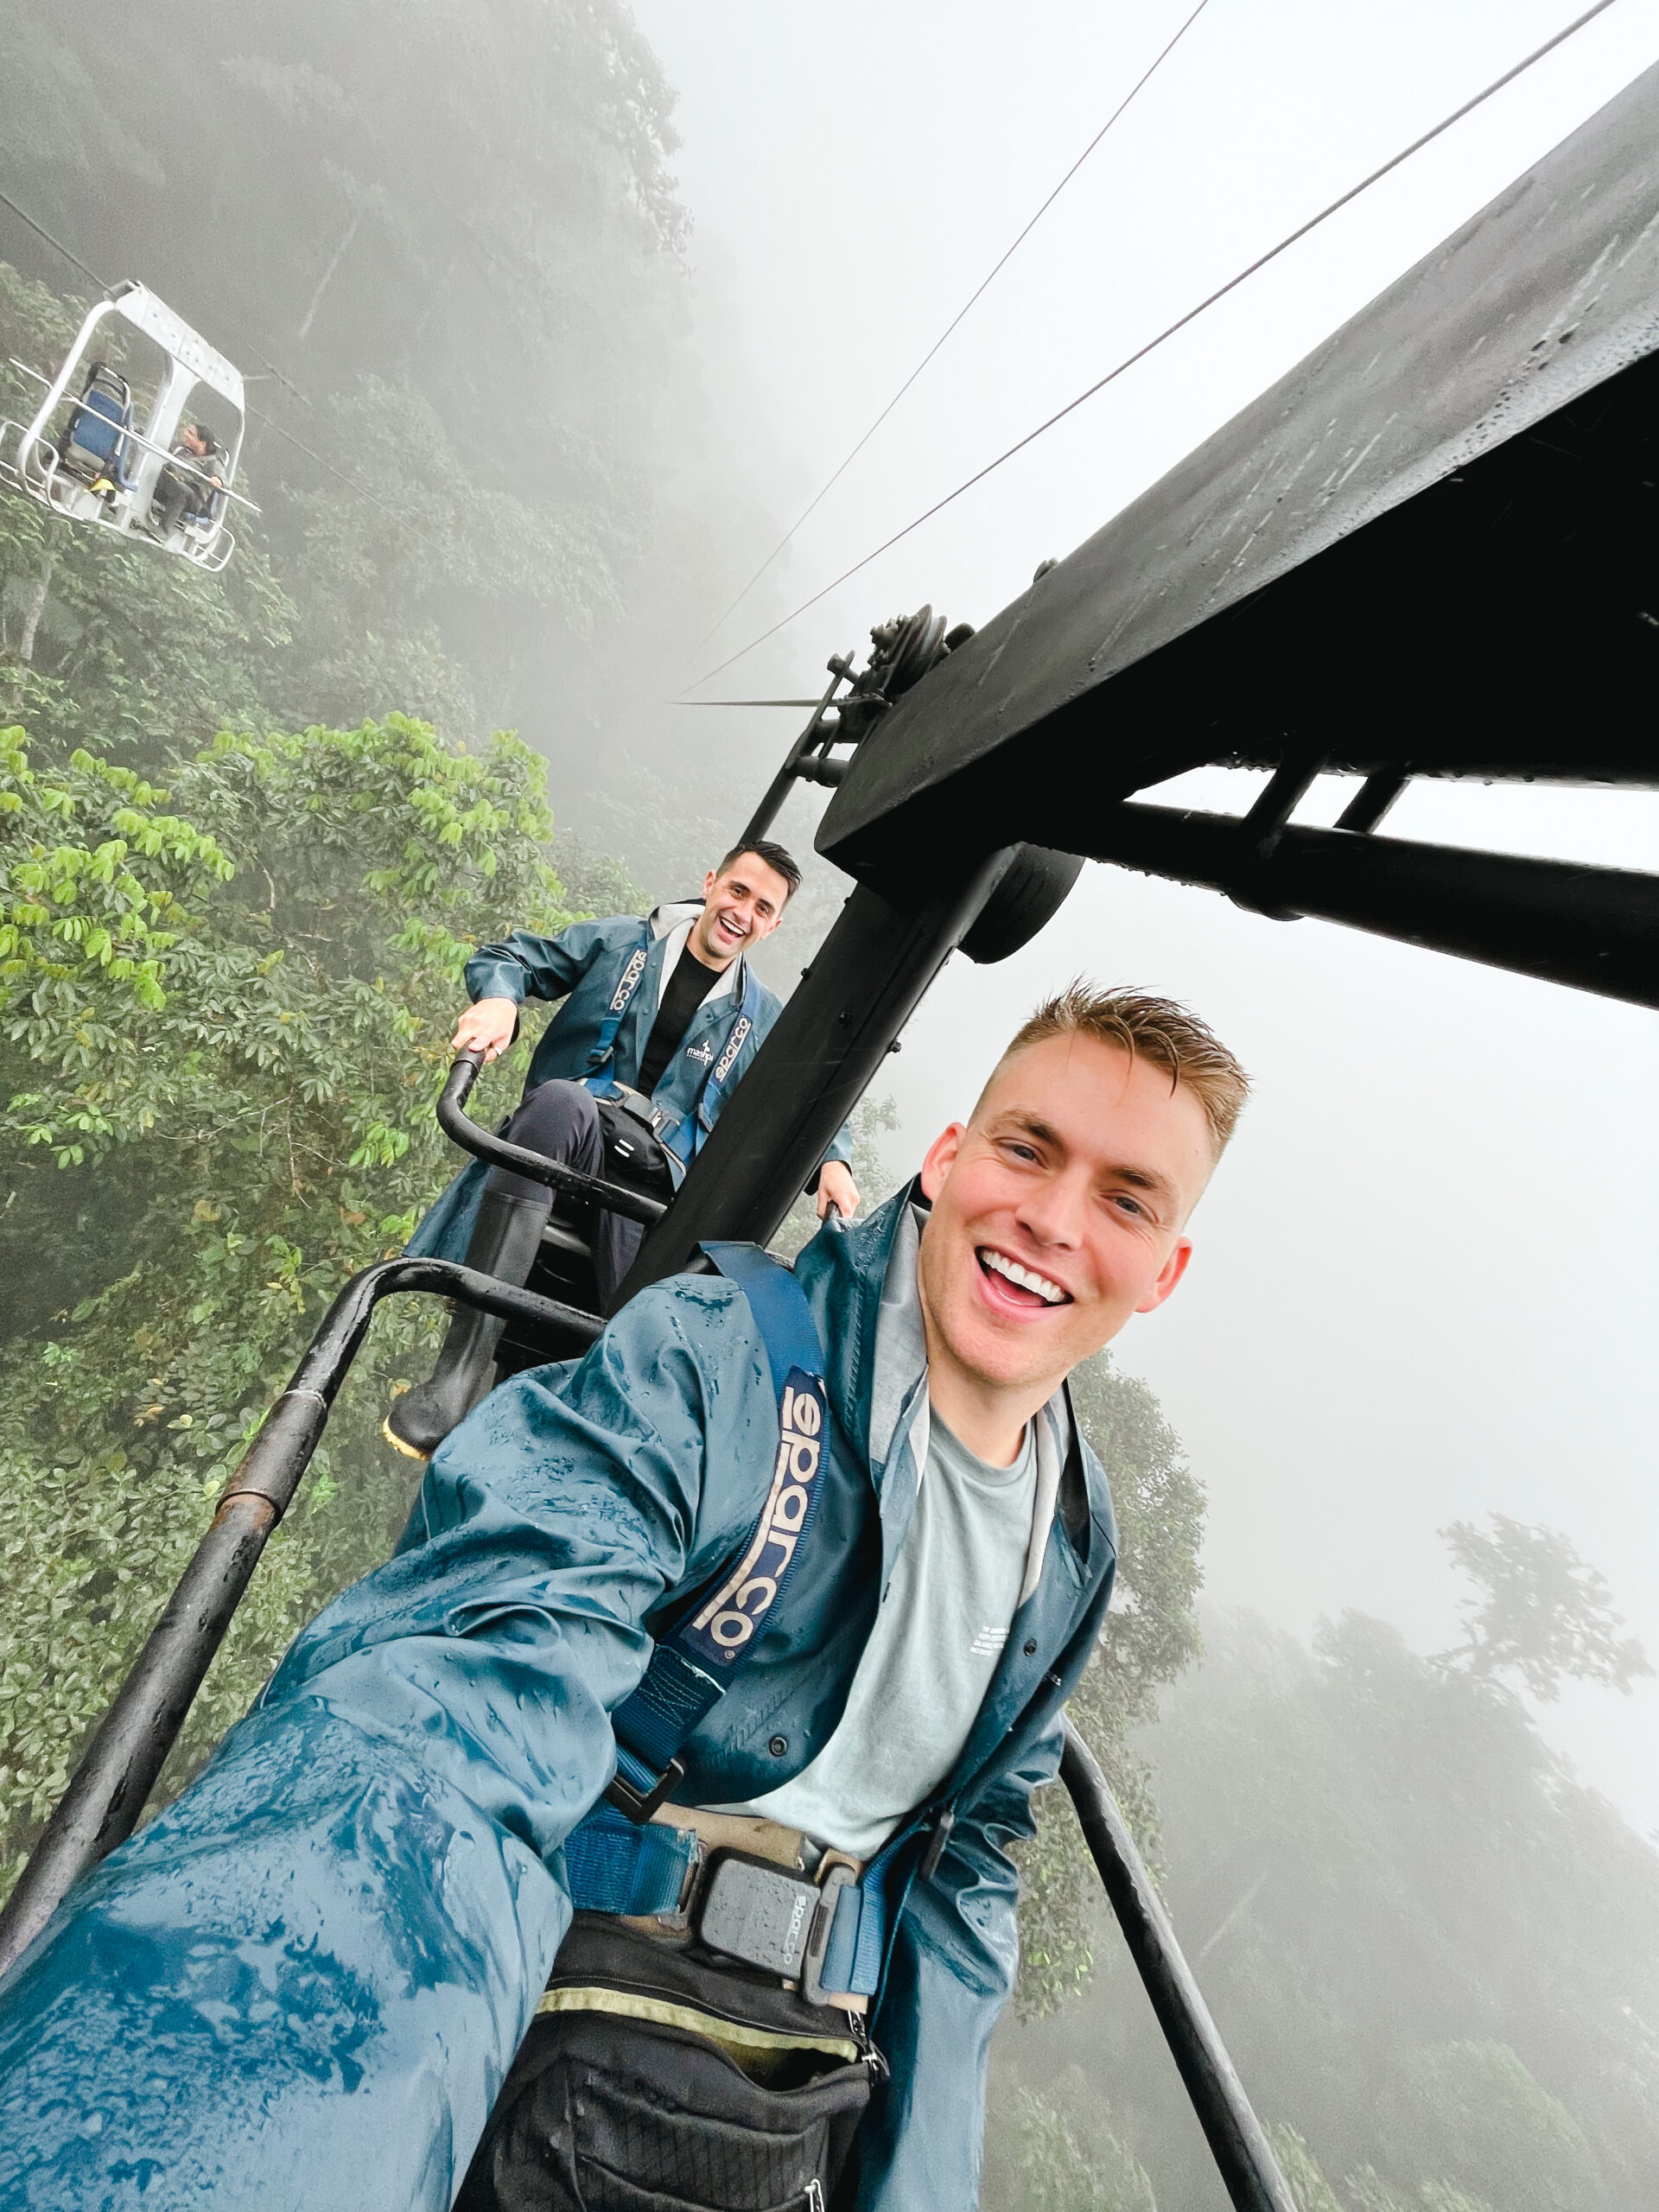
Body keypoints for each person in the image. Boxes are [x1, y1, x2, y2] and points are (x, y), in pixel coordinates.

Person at [0, 985, 1248, 2211]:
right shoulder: (716, 1361)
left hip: (814, 2073)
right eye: (1027, 1151)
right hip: (598, 1985)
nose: (1052, 1219)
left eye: (1125, 1200)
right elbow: (471, 1692)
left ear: (1166, 1268)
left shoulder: (1072, 1540)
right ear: (943, 1157)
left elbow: (970, 1858)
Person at [388, 837, 860, 1457]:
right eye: (738, 891)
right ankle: (457, 1373)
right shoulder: (620, 944)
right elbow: (515, 958)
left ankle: (598, 1426)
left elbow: (807, 1101)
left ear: (772, 927)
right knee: (560, 1100)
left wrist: (834, 1159)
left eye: (763, 908)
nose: (743, 912)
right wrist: (500, 998)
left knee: (656, 1287)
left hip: (658, 1177)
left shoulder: (761, 1017)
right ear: (712, 882)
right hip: (572, 1140)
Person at [148, 419, 224, 536]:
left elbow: (222, 480)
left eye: (191, 434)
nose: (185, 434)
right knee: (153, 466)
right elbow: (162, 445)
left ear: (202, 443)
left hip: (192, 497)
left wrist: (218, 480)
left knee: (182, 491)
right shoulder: (182, 449)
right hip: (170, 485)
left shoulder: (212, 462)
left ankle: (164, 530)